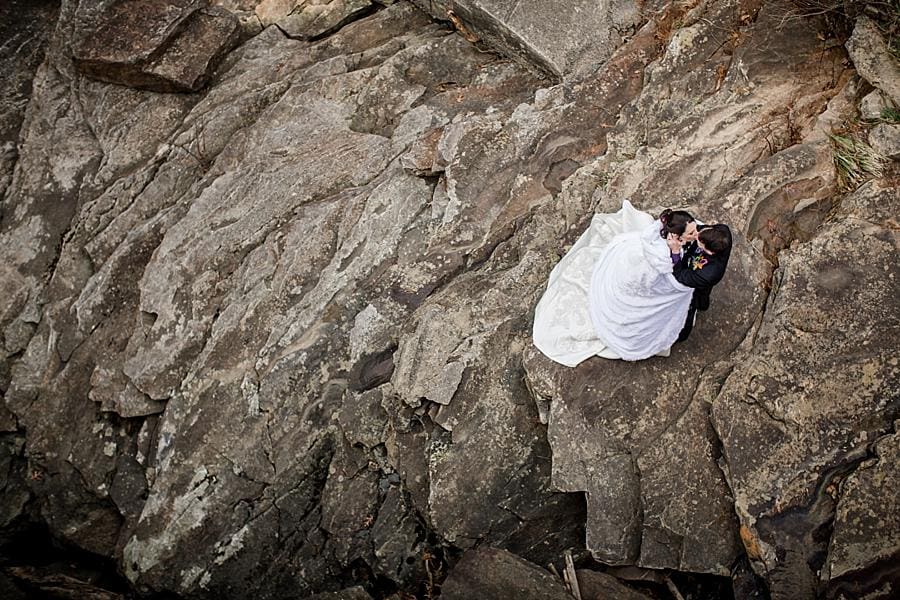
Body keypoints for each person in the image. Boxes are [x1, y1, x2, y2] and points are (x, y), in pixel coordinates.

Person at [532, 200, 698, 366]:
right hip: (641, 277)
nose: (696, 234)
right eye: (691, 232)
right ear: (676, 236)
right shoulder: (663, 256)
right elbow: (658, 278)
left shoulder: (661, 231)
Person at [669, 223, 732, 342]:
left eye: (698, 239)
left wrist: (675, 252)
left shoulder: (708, 273)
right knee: (705, 295)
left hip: (697, 284)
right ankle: (704, 304)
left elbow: (680, 275)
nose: (696, 235)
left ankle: (682, 334)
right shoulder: (723, 231)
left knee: (691, 305)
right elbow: (701, 228)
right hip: (698, 272)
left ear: (709, 252)